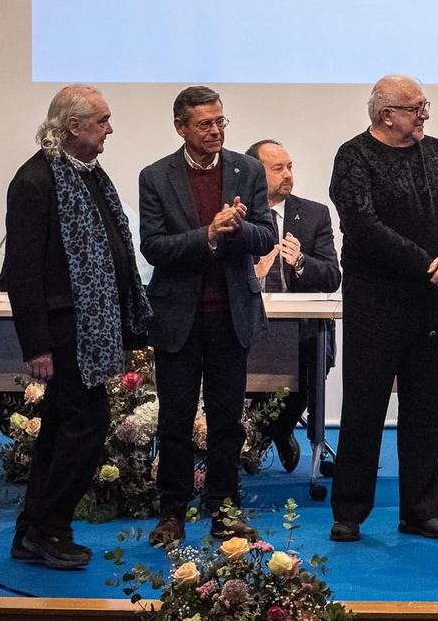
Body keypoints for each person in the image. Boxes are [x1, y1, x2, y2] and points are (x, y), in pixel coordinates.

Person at [1, 87, 151, 568]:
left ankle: (33, 531)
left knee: (67, 428)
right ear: (74, 127)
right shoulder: (35, 181)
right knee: (84, 426)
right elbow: (22, 273)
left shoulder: (86, 174)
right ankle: (49, 530)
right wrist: (37, 344)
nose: (111, 128)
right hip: (64, 332)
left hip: (89, 329)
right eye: (103, 120)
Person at [328, 75, 438, 542]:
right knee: (363, 407)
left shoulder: (437, 152)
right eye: (417, 107)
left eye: (425, 105)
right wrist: (429, 264)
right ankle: (349, 511)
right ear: (386, 114)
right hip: (376, 299)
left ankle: (419, 510)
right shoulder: (353, 157)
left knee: (427, 408)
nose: (425, 115)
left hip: (433, 299)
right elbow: (363, 226)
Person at [139, 86, 274, 546]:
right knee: (175, 420)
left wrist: (235, 231)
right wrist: (208, 234)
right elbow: (153, 247)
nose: (215, 131)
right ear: (181, 127)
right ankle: (172, 514)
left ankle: (224, 510)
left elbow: (265, 237)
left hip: (230, 317)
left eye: (221, 122)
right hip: (179, 318)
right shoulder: (156, 176)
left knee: (226, 421)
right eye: (205, 124)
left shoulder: (248, 169)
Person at [243, 139, 340, 473]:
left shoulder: (313, 215)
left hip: (301, 331)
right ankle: (263, 434)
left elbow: (332, 277)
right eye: (278, 168)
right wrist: (251, 276)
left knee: (307, 356)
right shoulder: (236, 215)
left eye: (290, 167)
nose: (288, 175)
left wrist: (300, 261)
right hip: (248, 325)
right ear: (255, 175)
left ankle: (276, 431)